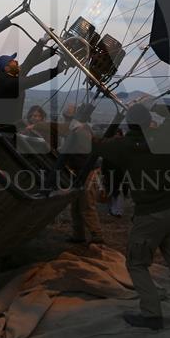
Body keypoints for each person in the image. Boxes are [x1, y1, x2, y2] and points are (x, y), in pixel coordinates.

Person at [96, 102, 170, 338]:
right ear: (149, 122)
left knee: (136, 263)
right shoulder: (164, 136)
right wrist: (154, 105)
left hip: (150, 215)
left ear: (129, 124)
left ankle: (151, 314)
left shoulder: (124, 146)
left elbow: (95, 146)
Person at [0, 38, 64, 127]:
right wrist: (56, 70)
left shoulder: (7, 77)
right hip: (5, 129)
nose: (16, 62)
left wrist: (49, 48)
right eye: (13, 62)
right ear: (7, 68)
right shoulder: (10, 83)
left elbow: (29, 63)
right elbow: (35, 79)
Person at [62, 103, 103, 244]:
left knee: (86, 204)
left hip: (89, 171)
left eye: (68, 117)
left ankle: (97, 236)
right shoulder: (78, 130)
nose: (67, 120)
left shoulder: (81, 131)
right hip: (80, 171)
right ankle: (78, 235)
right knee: (76, 205)